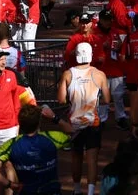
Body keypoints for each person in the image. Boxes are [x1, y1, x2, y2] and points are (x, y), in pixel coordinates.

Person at [57, 42, 111, 195]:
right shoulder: (99, 74)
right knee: (92, 159)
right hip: (92, 122)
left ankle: (76, 190)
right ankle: (91, 192)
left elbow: (61, 99)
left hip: (74, 123)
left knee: (76, 157)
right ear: (91, 55)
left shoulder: (68, 74)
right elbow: (107, 99)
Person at [0, 104, 73, 195]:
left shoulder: (10, 144)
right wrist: (54, 118)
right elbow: (73, 132)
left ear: (20, 122)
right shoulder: (53, 137)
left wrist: (11, 185)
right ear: (39, 122)